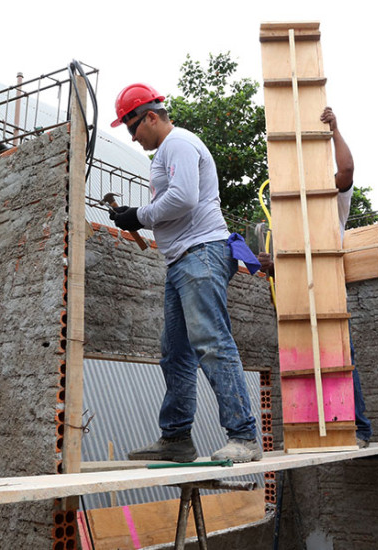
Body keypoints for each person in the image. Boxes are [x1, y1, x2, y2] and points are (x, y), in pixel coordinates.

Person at [108, 83, 263, 463]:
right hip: (182, 259)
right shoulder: (167, 150)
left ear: (150, 116)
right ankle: (176, 438)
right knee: (175, 352)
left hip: (201, 254)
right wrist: (138, 215)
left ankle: (243, 436)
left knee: (211, 341)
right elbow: (173, 199)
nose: (132, 137)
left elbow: (184, 197)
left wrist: (138, 216)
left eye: (132, 128)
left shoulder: (177, 142)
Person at [258, 106, 373, 448]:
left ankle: (360, 429)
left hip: (327, 287)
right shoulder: (290, 212)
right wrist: (271, 266)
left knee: (338, 357)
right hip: (297, 293)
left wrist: (335, 130)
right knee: (303, 366)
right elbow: (292, 261)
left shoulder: (332, 196)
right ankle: (308, 433)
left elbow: (348, 169)